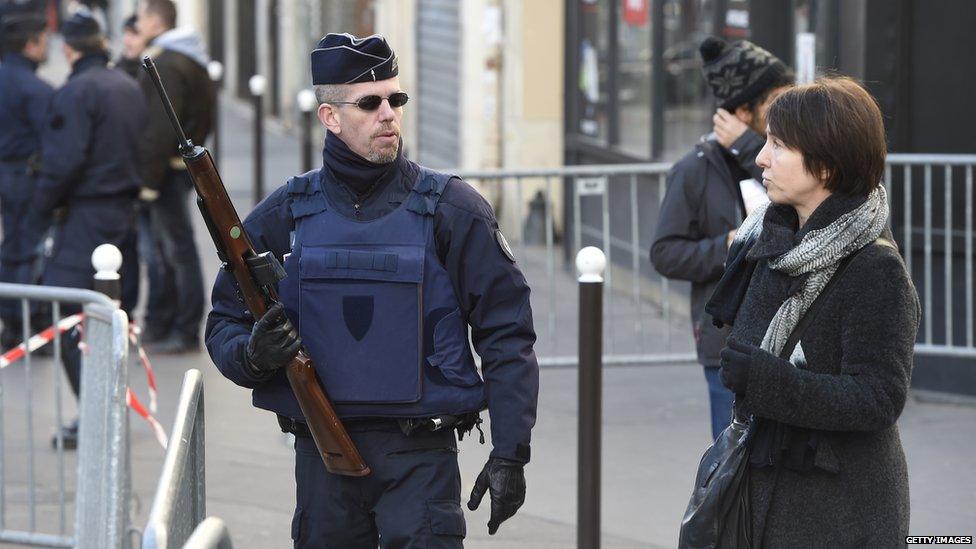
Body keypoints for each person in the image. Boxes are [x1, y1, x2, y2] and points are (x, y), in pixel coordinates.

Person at [205, 33, 539, 547]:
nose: (389, 114)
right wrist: (253, 356)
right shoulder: (286, 213)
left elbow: (506, 332)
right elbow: (224, 320)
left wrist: (511, 452)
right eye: (370, 102)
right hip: (323, 457)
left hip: (422, 458)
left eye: (396, 99)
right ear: (330, 117)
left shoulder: (452, 210)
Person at [704, 76, 919, 545]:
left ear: (824, 165)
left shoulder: (875, 269)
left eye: (778, 145)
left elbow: (878, 399)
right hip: (761, 494)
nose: (761, 157)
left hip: (837, 512)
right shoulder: (770, 240)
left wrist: (767, 380)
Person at [650, 37, 793, 440]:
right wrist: (728, 245)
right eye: (776, 101)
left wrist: (749, 147)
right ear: (743, 110)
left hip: (785, 341)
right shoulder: (694, 170)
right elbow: (665, 253)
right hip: (726, 342)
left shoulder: (785, 159)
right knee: (731, 463)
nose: (789, 108)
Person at [33, 11, 146, 448]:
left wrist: (40, 208)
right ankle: (105, 411)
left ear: (69, 48)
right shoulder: (127, 85)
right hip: (124, 218)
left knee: (66, 316)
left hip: (85, 219)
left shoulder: (76, 92)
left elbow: (63, 163)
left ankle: (97, 416)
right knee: (110, 317)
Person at [136, 0, 213, 353]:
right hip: (177, 168)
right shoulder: (189, 57)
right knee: (171, 249)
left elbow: (158, 128)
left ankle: (183, 328)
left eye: (141, 18)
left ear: (155, 20)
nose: (138, 24)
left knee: (175, 251)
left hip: (166, 171)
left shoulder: (166, 62)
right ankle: (171, 323)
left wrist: (149, 182)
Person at [0, 2, 52, 350]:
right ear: (31, 44)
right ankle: (24, 324)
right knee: (27, 248)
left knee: (12, 245)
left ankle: (11, 320)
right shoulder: (37, 90)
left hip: (6, 172)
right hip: (26, 175)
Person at [115, 14, 145, 78]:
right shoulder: (116, 69)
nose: (127, 40)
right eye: (126, 33)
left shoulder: (155, 69)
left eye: (134, 33)